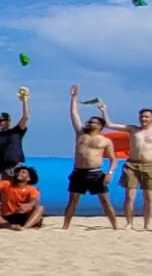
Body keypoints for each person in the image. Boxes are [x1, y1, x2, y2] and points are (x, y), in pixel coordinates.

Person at [63, 86, 119, 229]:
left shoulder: (105, 140)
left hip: (95, 173)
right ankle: (65, 227)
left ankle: (115, 227)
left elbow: (114, 160)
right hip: (78, 172)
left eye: (92, 122)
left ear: (100, 125)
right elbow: (74, 114)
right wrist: (74, 97)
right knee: (73, 200)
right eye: (88, 121)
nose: (88, 123)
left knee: (105, 201)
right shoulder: (81, 133)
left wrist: (110, 173)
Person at [100, 103, 152, 231]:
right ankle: (129, 223)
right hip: (132, 165)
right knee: (129, 196)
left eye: (146, 117)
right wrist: (104, 111)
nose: (143, 119)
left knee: (149, 197)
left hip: (149, 165)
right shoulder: (133, 129)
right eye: (141, 117)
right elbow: (109, 125)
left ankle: (147, 224)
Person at [0, 91, 30, 178]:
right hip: (2, 169)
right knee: (3, 191)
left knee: (19, 190)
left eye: (1, 120)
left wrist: (25, 100)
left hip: (17, 167)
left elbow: (26, 117)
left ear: (8, 121)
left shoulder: (16, 131)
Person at [0, 165, 44, 230]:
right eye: (18, 172)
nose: (19, 173)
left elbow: (34, 200)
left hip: (23, 215)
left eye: (23, 172)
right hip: (7, 217)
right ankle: (10, 226)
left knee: (40, 208)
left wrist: (28, 205)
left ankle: (25, 227)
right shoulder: (7, 184)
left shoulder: (31, 189)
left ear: (28, 178)